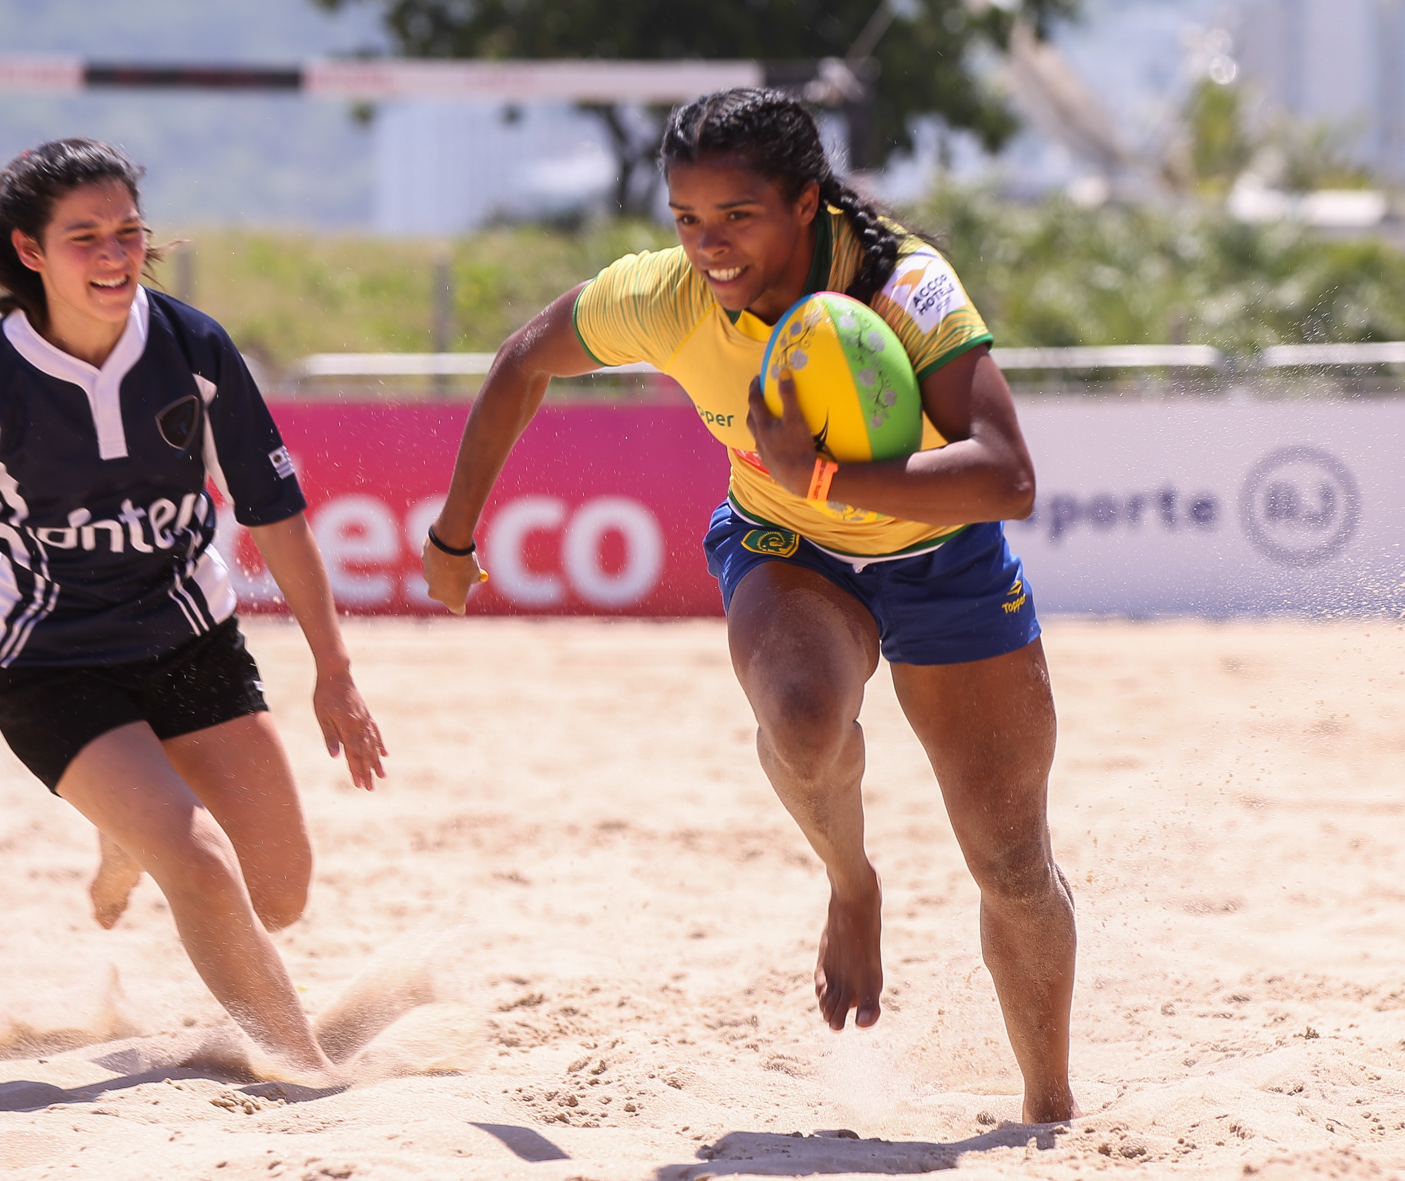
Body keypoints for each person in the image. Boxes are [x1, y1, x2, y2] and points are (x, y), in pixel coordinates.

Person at [420, 89, 1078, 1123]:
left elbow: (1005, 478)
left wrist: (820, 474)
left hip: (943, 553)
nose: (707, 244)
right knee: (806, 720)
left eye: (736, 215)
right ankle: (850, 880)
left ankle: (1047, 1103)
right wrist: (453, 534)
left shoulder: (903, 286)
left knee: (1009, 861)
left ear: (807, 202)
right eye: (685, 218)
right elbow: (519, 359)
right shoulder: (665, 296)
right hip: (789, 544)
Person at [0, 138, 386, 1078]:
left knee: (277, 894)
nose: (113, 256)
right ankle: (306, 1069)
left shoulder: (192, 346)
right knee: (198, 864)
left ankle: (128, 837)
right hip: (51, 667)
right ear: (29, 251)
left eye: (127, 232)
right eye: (85, 238)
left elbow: (276, 516)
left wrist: (335, 672)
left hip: (195, 643)